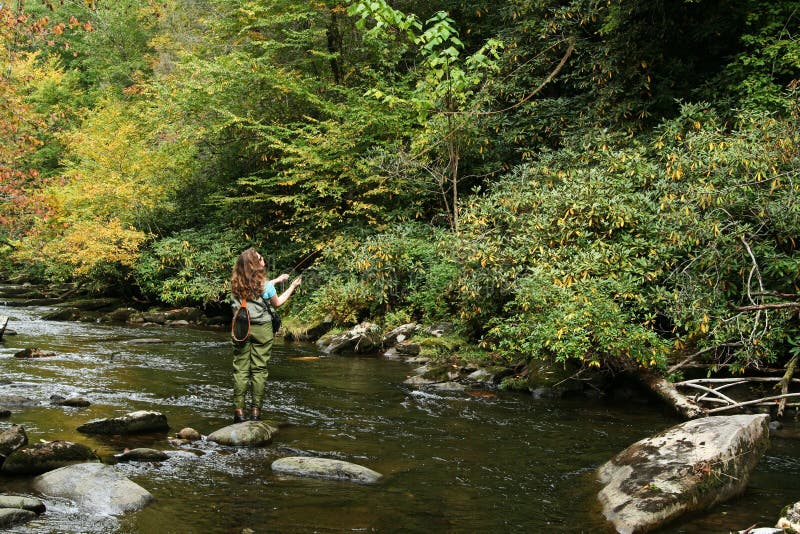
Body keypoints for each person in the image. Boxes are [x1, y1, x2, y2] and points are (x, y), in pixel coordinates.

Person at [229, 247, 301, 422]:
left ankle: (239, 412)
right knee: (259, 369)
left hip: (241, 328)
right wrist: (292, 286)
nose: (263, 261)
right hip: (262, 329)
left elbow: (259, 288)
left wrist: (277, 280)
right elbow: (277, 302)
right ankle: (255, 412)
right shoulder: (265, 285)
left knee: (240, 370)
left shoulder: (235, 283)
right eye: (260, 258)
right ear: (254, 264)